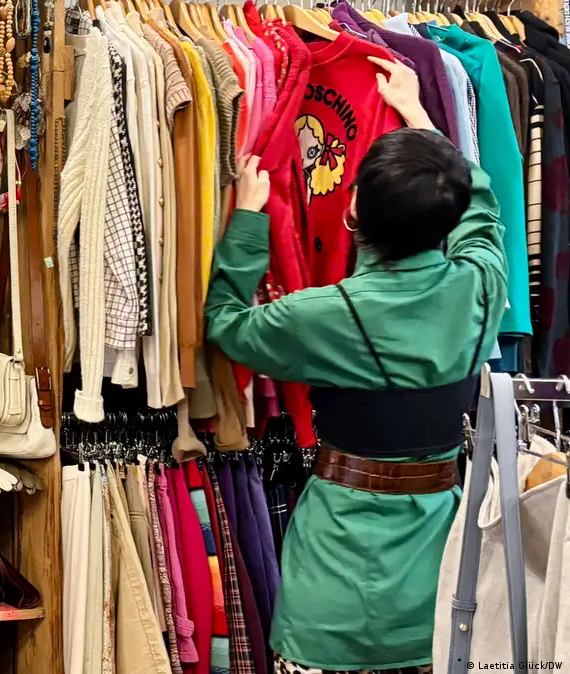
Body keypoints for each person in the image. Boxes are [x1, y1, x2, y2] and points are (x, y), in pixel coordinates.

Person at [204, 56, 507, 672]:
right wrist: (418, 117)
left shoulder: (322, 315)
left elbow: (228, 324)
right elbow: (482, 212)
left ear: (354, 211)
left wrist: (249, 220)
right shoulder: (481, 285)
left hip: (335, 584)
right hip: (441, 582)